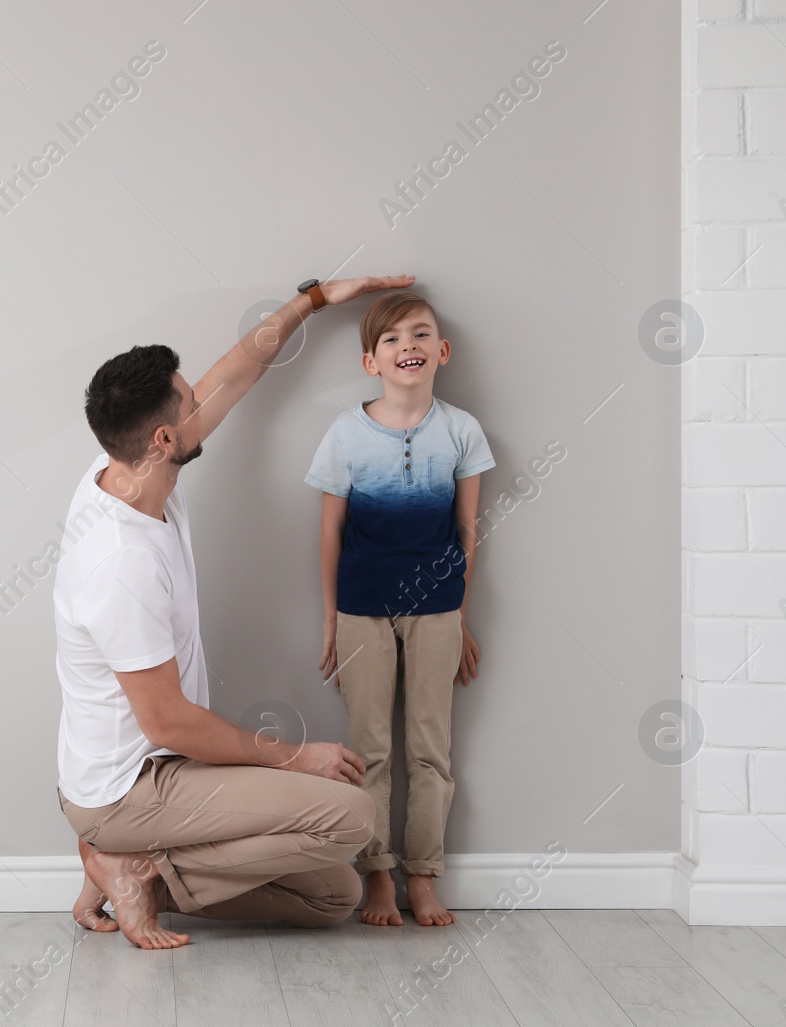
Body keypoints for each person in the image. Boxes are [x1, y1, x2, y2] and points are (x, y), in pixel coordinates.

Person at [53, 272, 416, 949]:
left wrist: (313, 298)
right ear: (164, 438)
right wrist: (294, 758)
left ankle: (148, 874)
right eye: (189, 403)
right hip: (129, 787)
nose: (203, 401)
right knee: (351, 817)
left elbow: (237, 371)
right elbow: (170, 721)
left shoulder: (129, 467)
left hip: (160, 766)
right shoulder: (117, 563)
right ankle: (128, 857)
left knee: (331, 893)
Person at [307, 291, 494, 927]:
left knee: (430, 749)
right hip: (362, 608)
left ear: (441, 352)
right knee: (370, 750)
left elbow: (469, 533)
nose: (406, 346)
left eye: (420, 335)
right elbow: (330, 531)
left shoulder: (461, 430)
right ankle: (377, 876)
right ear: (370, 361)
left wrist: (460, 615)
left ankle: (423, 876)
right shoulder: (345, 433)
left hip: (438, 609)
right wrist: (331, 618)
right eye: (391, 339)